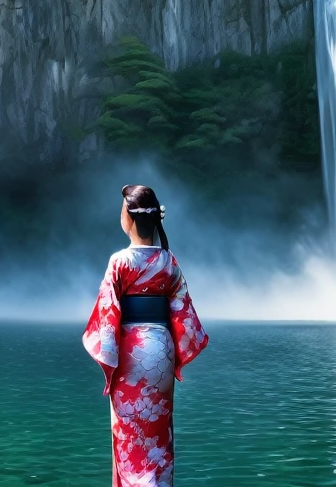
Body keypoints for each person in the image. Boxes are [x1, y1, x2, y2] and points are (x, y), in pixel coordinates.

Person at [82, 184, 209, 487]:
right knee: (157, 430)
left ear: (128, 217)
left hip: (130, 352)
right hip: (161, 351)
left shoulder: (120, 262)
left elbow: (108, 314)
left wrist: (109, 359)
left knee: (128, 432)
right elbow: (183, 312)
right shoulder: (168, 261)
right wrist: (174, 351)